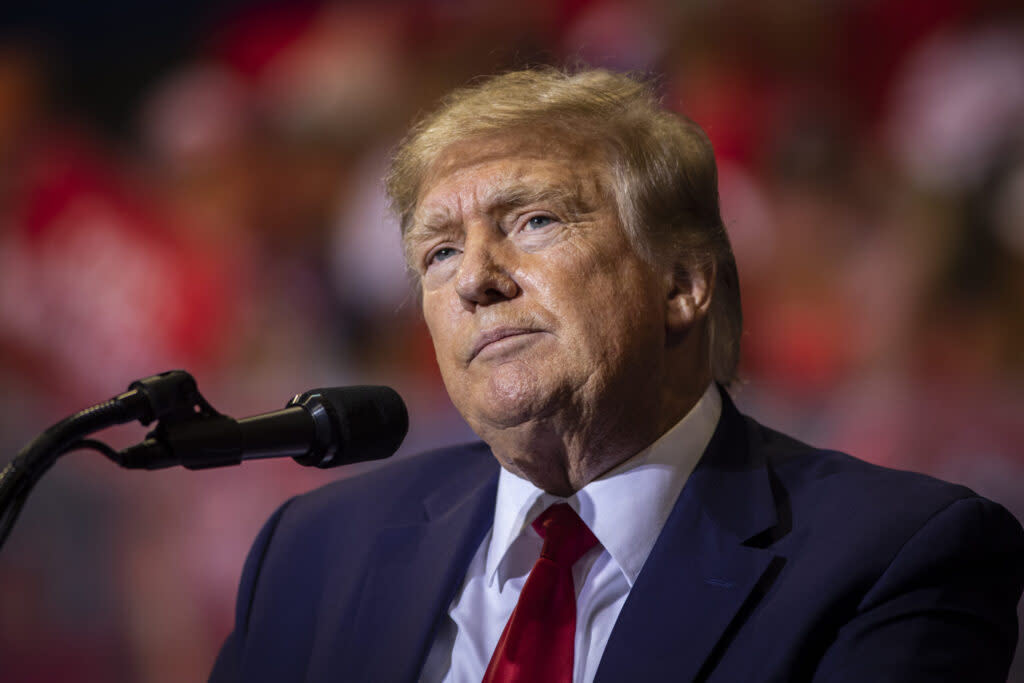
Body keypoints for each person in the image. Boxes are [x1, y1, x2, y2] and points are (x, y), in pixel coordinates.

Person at [209, 67, 1024, 683]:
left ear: (682, 283)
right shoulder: (311, 554)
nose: (475, 280)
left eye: (533, 220)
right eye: (440, 250)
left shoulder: (890, 556)